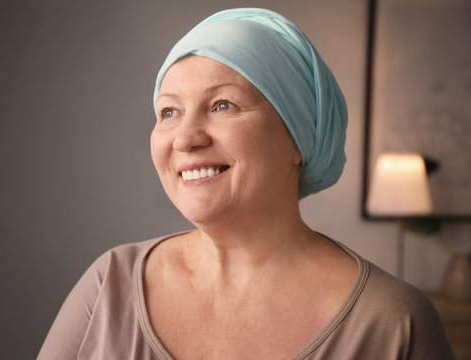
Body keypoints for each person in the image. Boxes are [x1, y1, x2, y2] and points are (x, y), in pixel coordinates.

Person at [37, 8, 455, 360]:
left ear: (298, 137)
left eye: (223, 105)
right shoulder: (109, 284)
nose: (185, 138)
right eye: (169, 112)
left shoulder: (393, 322)